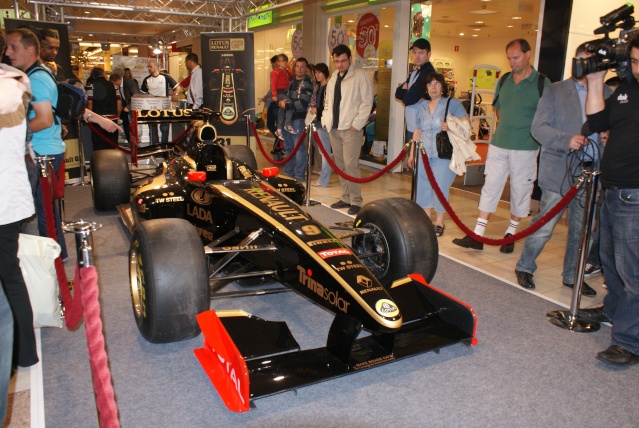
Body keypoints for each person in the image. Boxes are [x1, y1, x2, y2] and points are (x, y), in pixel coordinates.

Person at [513, 44, 610, 297]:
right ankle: (525, 266)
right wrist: (566, 139)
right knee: (545, 225)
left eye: (590, 61)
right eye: (581, 60)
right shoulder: (555, 91)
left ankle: (572, 276)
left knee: (582, 230)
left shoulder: (608, 94)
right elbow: (538, 128)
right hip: (560, 170)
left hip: (592, 173)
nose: (585, 66)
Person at [453, 38, 550, 252]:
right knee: (490, 186)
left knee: (520, 189)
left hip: (526, 147)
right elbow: (498, 109)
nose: (512, 62)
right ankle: (477, 234)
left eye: (515, 57)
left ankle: (511, 233)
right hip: (499, 144)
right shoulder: (505, 79)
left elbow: (547, 115)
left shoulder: (542, 82)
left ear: (528, 54)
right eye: (509, 58)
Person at [579, 35, 639, 366]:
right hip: (613, 190)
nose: (635, 67)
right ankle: (614, 310)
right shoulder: (629, 90)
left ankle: (629, 341)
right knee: (610, 260)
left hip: (636, 194)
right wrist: (595, 81)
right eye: (633, 60)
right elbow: (598, 122)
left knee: (633, 270)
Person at [5, 27, 69, 261]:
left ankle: (53, 261)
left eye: (14, 47)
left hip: (43, 154)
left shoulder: (37, 78)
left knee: (43, 213)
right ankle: (54, 257)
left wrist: (11, 132)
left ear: (30, 49)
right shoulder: (38, 74)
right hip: (45, 151)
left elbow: (43, 119)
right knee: (44, 212)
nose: (8, 52)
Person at [0, 44, 39, 373]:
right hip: (10, 196)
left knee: (9, 276)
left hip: (6, 197)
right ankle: (24, 353)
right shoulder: (17, 83)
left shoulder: (12, 87)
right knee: (11, 276)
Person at [407, 72, 469, 237]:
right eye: (430, 84)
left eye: (436, 84)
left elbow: (466, 124)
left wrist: (450, 126)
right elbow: (418, 130)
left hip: (443, 154)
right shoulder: (422, 106)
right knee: (423, 186)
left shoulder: (452, 103)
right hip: (424, 153)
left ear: (443, 87)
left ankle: (439, 221)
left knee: (440, 187)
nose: (433, 87)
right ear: (426, 88)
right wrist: (412, 153)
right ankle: (426, 219)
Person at [322, 44, 374, 215]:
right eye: (336, 61)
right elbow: (328, 102)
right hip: (334, 128)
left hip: (351, 129)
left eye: (343, 61)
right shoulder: (334, 77)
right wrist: (325, 120)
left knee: (350, 165)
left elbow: (367, 102)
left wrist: (356, 124)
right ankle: (345, 197)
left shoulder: (360, 76)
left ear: (350, 59)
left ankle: (356, 201)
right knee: (340, 165)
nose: (339, 65)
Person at [278, 57, 313, 182]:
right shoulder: (292, 81)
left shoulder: (307, 84)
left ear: (306, 69)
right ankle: (288, 172)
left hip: (298, 120)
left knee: (299, 149)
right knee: (288, 148)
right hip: (288, 120)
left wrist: (286, 105)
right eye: (297, 66)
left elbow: (303, 104)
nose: (299, 69)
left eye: (302, 67)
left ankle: (299, 175)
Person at [395, 38, 436, 143]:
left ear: (429, 54)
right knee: (411, 158)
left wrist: (407, 92)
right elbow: (398, 93)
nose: (417, 56)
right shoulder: (415, 73)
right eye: (414, 52)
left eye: (421, 53)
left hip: (423, 128)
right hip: (412, 125)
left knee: (418, 158)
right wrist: (407, 93)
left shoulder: (429, 73)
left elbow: (409, 100)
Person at [140, 59, 178, 145]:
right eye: (148, 67)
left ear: (156, 67)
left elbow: (177, 86)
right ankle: (154, 146)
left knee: (164, 128)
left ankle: (164, 147)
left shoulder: (165, 77)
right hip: (151, 108)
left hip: (164, 107)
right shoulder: (147, 80)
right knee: (153, 129)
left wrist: (176, 94)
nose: (149, 68)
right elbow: (143, 94)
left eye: (150, 66)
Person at [85, 67, 121, 151]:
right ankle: (112, 162)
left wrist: (89, 117)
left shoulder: (90, 85)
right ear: (104, 74)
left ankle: (100, 163)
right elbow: (119, 102)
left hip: (98, 119)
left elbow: (90, 102)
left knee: (99, 146)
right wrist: (118, 116)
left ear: (93, 75)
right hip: (112, 118)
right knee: (112, 144)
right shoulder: (113, 85)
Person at [310, 62, 332, 188]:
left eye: (319, 72)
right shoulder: (318, 88)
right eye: (315, 73)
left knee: (325, 152)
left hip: (324, 123)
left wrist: (317, 110)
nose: (316, 75)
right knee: (323, 151)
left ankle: (324, 180)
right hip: (319, 122)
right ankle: (324, 178)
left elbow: (329, 106)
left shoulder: (328, 87)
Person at [271, 53, 291, 138]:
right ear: (278, 62)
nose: (284, 63)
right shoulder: (275, 72)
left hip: (286, 92)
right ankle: (288, 124)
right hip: (281, 93)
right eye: (282, 61)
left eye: (285, 61)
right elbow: (273, 84)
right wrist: (274, 95)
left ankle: (279, 129)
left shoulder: (286, 72)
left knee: (281, 111)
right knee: (289, 104)